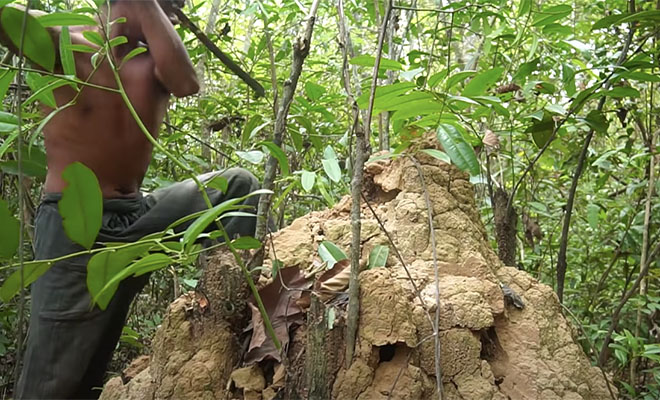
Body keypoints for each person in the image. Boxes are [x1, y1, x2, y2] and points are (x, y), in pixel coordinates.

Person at [0, 0, 260, 398]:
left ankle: (225, 323)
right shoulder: (62, 42)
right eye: (169, 7)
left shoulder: (154, 65)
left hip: (139, 218)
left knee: (236, 184)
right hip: (73, 233)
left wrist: (148, 6)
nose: (174, 19)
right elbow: (9, 20)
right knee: (54, 379)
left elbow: (187, 83)